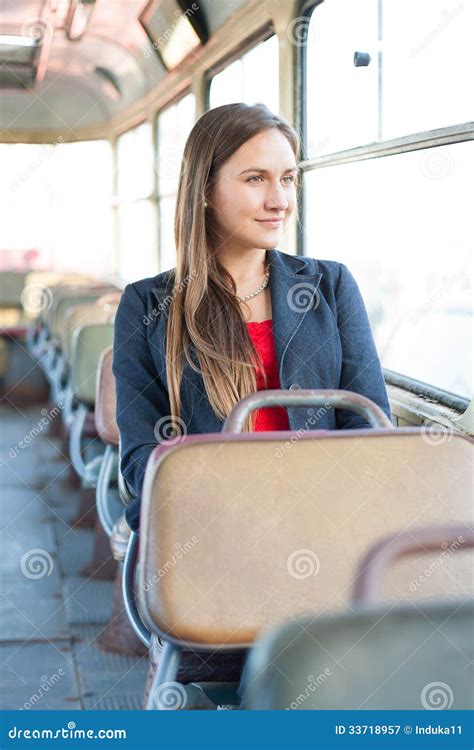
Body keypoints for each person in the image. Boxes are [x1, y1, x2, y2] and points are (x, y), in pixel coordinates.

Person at [113, 102, 390, 533]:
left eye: (288, 179)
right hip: (211, 528)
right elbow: (142, 454)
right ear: (205, 190)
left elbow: (369, 425)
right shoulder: (148, 305)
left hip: (325, 522)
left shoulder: (330, 286)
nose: (279, 201)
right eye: (255, 179)